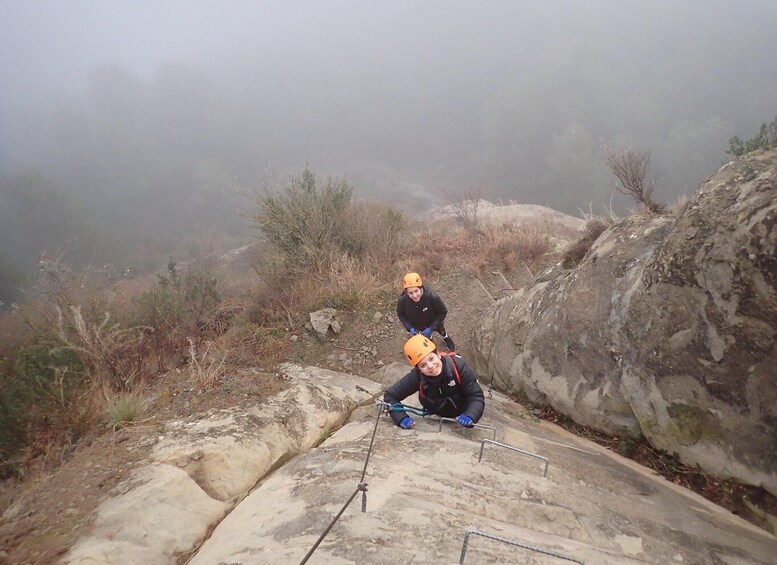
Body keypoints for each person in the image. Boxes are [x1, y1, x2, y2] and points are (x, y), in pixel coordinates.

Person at [384, 334, 484, 429]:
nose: (430, 366)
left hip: (462, 411)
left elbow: (476, 395)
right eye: (423, 365)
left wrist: (470, 415)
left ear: (438, 355)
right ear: (419, 369)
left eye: (431, 358)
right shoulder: (417, 376)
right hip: (436, 412)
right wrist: (401, 418)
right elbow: (390, 396)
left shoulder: (458, 366)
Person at [396, 272, 455, 351]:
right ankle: (429, 340)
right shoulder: (403, 300)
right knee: (427, 338)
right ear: (406, 292)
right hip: (417, 325)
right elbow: (401, 315)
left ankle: (445, 336)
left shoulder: (432, 297)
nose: (414, 295)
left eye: (416, 291)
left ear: (420, 288)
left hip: (434, 321)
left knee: (441, 329)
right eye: (410, 293)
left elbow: (443, 312)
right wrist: (410, 328)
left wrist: (431, 328)